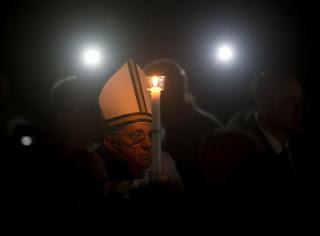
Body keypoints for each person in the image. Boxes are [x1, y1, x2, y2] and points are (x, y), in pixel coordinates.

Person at [97, 59, 184, 199]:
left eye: (151, 135)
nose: (148, 145)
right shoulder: (97, 169)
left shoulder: (164, 163)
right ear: (111, 144)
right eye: (137, 137)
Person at [228, 71, 306, 194]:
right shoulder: (240, 154)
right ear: (262, 104)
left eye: (300, 101)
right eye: (289, 101)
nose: (299, 109)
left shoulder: (303, 145)